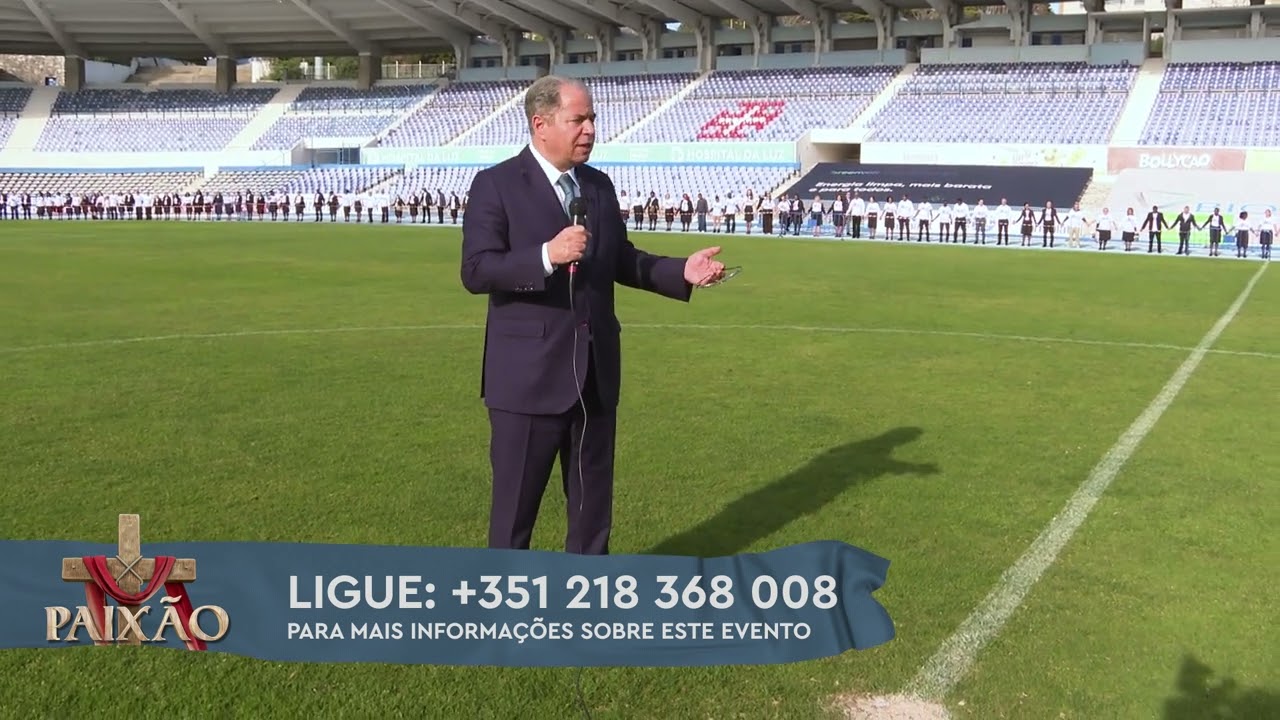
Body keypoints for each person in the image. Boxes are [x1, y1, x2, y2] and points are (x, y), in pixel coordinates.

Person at [459, 75, 726, 556]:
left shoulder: (597, 187)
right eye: (577, 119)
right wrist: (545, 254)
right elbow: (476, 269)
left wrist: (680, 271)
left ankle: (587, 611)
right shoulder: (496, 185)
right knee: (513, 519)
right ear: (540, 124)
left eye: (592, 119)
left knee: (591, 518)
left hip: (594, 378)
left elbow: (619, 258)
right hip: (526, 383)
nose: (590, 129)